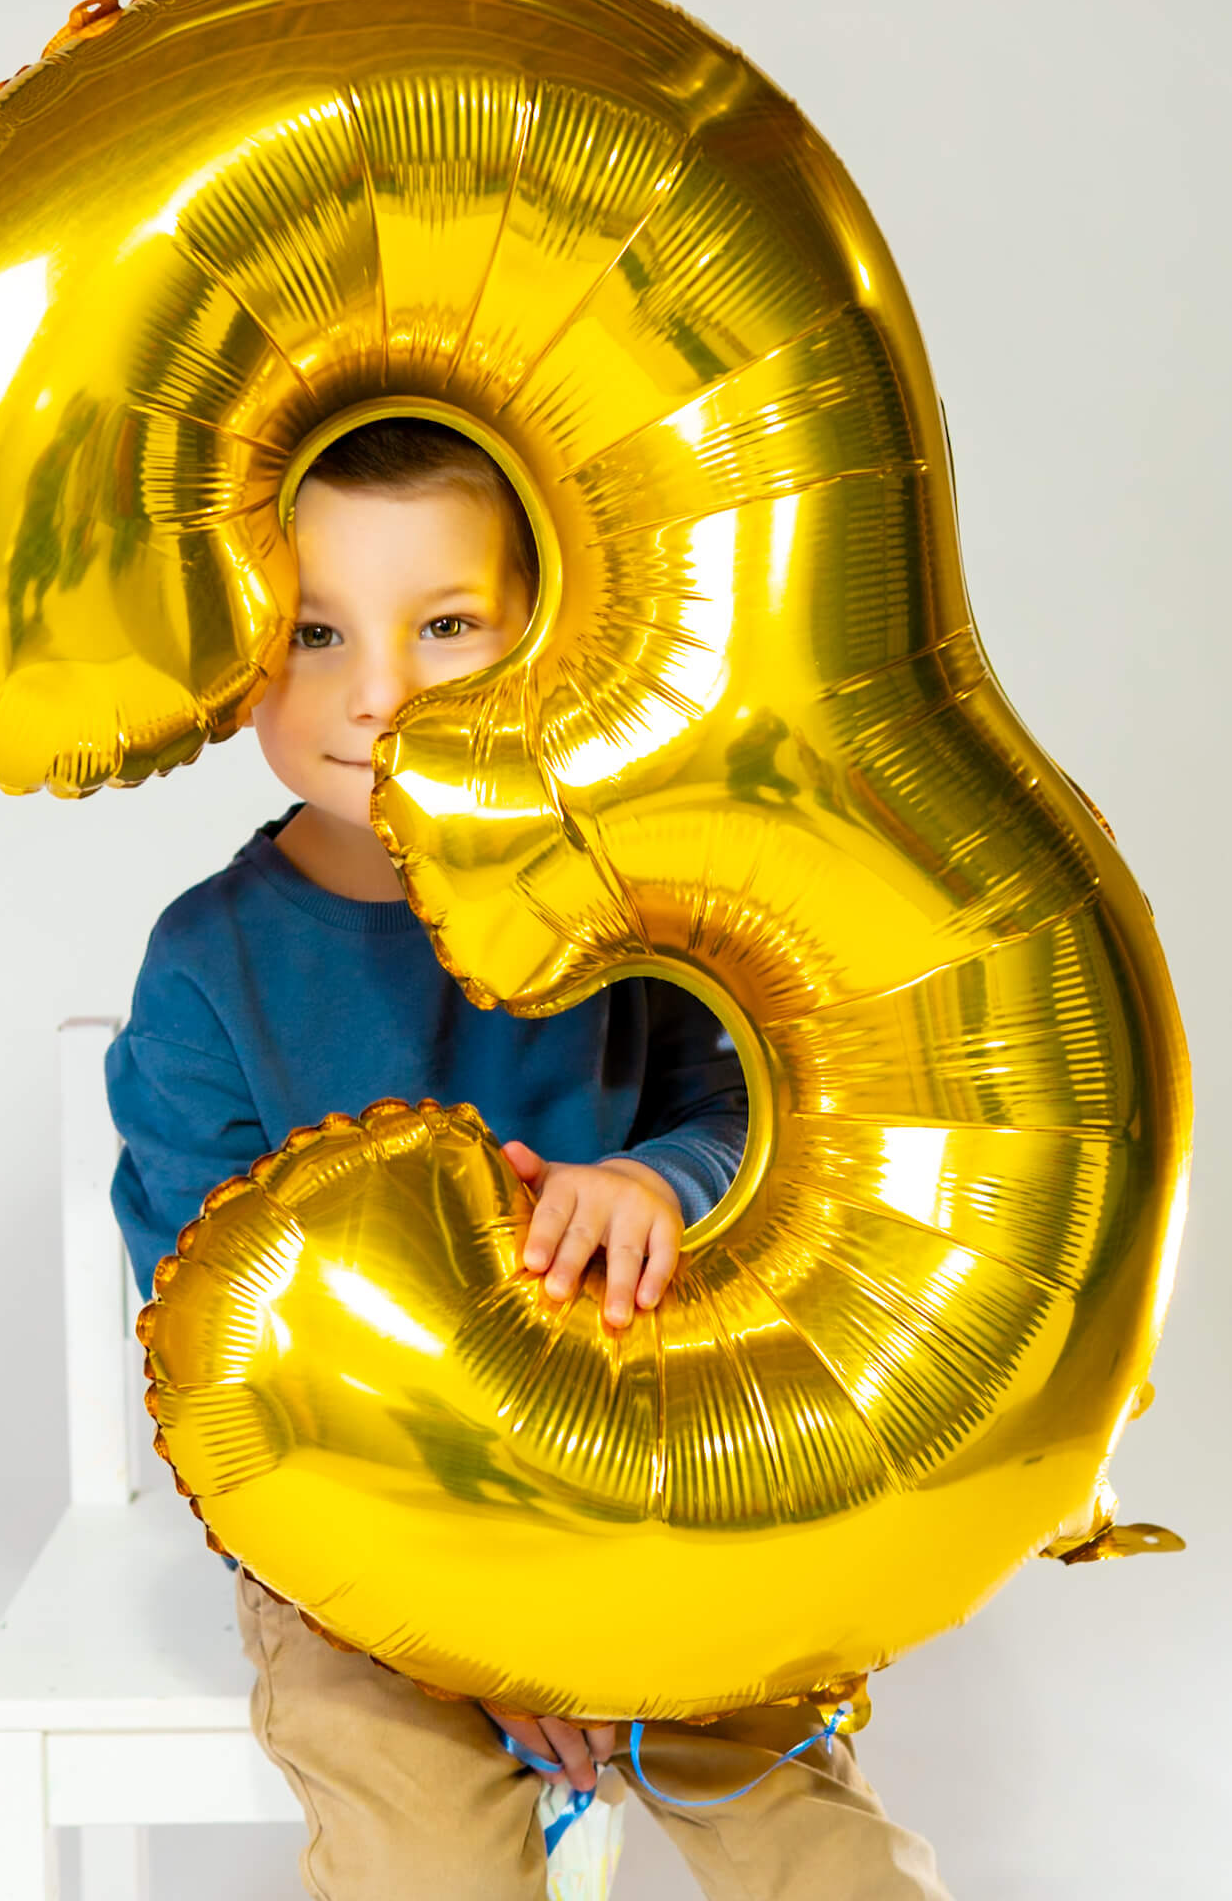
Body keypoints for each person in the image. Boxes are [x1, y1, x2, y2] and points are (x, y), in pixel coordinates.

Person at [105, 418, 951, 1899]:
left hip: (646, 1494)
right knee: (426, 1849)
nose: (376, 694)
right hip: (354, 1535)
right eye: (312, 632)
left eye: (445, 627)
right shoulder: (205, 966)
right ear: (240, 653)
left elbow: (753, 1117)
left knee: (813, 1842)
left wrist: (656, 1183)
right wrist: (468, 1639)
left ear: (544, 638)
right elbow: (216, 1349)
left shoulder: (629, 907)